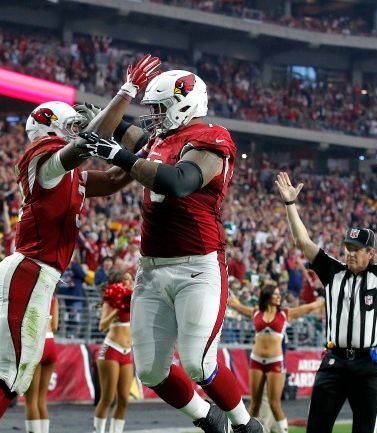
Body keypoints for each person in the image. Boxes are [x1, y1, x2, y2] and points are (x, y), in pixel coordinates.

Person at [0, 52, 162, 433]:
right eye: (72, 123)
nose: (78, 125)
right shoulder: (42, 158)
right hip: (30, 269)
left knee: (13, 379)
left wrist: (152, 149)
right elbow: (84, 143)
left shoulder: (70, 173)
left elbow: (117, 178)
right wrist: (127, 91)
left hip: (38, 273)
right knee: (5, 374)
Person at [78, 69, 265, 433]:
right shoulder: (161, 139)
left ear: (185, 104)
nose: (155, 116)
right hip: (150, 269)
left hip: (197, 265)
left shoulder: (212, 138)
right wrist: (103, 118)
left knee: (198, 362)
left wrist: (120, 156)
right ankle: (208, 419)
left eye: (162, 107)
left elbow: (181, 181)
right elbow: (130, 135)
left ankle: (245, 425)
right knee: (149, 370)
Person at [274, 172, 377, 433]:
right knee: (316, 429)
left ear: (370, 253)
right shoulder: (332, 270)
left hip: (367, 365)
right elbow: (302, 241)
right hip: (334, 362)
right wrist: (290, 205)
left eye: (356, 250)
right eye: (347, 248)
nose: (349, 254)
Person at [228, 285, 324, 433]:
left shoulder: (285, 314)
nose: (279, 297)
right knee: (254, 404)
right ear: (267, 296)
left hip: (275, 362)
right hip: (256, 360)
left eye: (279, 294)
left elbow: (310, 307)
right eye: (276, 294)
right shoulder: (256, 313)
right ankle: (246, 431)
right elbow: (235, 305)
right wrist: (228, 292)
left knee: (275, 404)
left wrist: (324, 298)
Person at [94, 271, 135, 433]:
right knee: (107, 398)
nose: (129, 282)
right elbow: (102, 326)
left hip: (127, 352)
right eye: (126, 279)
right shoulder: (112, 300)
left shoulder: (133, 299)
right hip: (111, 349)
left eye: (131, 280)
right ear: (118, 283)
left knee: (124, 400)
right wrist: (117, 310)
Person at [23, 295, 59, 433]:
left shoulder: (29, 290)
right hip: (50, 343)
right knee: (41, 400)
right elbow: (55, 325)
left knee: (31, 401)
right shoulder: (54, 297)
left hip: (35, 343)